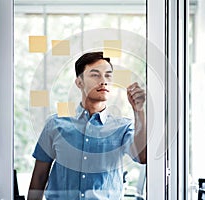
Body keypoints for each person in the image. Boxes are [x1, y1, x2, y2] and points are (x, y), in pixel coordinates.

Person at [27, 52, 146, 200]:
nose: (103, 81)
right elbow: (38, 178)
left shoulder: (122, 127)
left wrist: (138, 111)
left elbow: (142, 157)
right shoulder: (55, 125)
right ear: (79, 82)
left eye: (108, 75)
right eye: (95, 75)